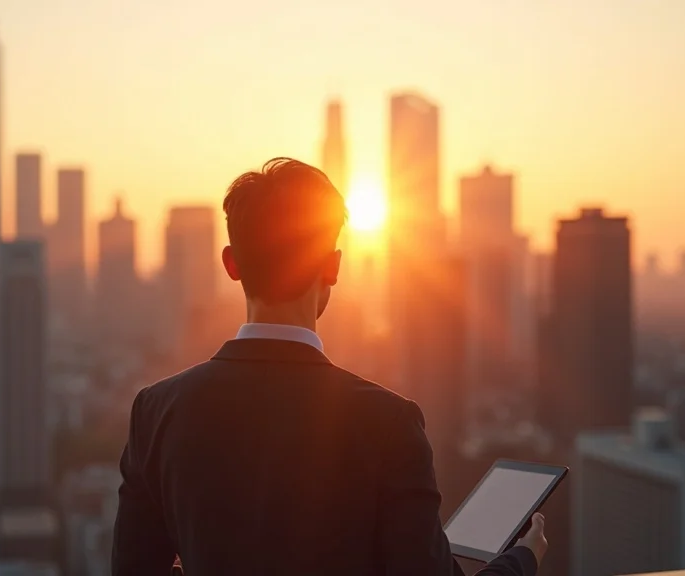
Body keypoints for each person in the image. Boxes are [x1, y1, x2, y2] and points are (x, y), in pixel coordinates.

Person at [111, 158, 547, 576]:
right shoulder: (388, 423)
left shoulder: (156, 411)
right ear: (333, 267)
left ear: (231, 264)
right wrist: (521, 560)